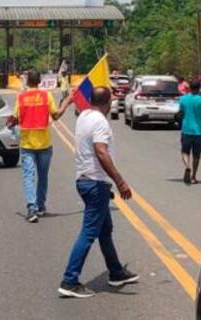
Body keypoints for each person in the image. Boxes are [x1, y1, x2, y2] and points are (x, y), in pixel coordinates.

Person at [59, 87, 139, 299]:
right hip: (95, 183)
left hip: (86, 180)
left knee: (105, 230)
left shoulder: (84, 116)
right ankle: (69, 280)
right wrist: (120, 181)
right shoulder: (100, 122)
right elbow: (101, 152)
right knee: (88, 233)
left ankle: (116, 272)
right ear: (110, 101)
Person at [6, 69, 70, 222]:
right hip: (44, 143)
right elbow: (55, 115)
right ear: (40, 81)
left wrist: (9, 123)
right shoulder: (46, 95)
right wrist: (66, 103)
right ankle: (40, 206)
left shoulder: (21, 98)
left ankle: (31, 207)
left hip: (27, 144)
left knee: (29, 176)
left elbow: (14, 119)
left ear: (27, 82)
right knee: (43, 176)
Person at [178, 81, 201, 185]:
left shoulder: (183, 99)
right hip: (198, 131)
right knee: (197, 155)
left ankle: (187, 166)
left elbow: (181, 110)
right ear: (199, 88)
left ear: (190, 88)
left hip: (186, 130)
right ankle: (193, 177)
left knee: (184, 152)